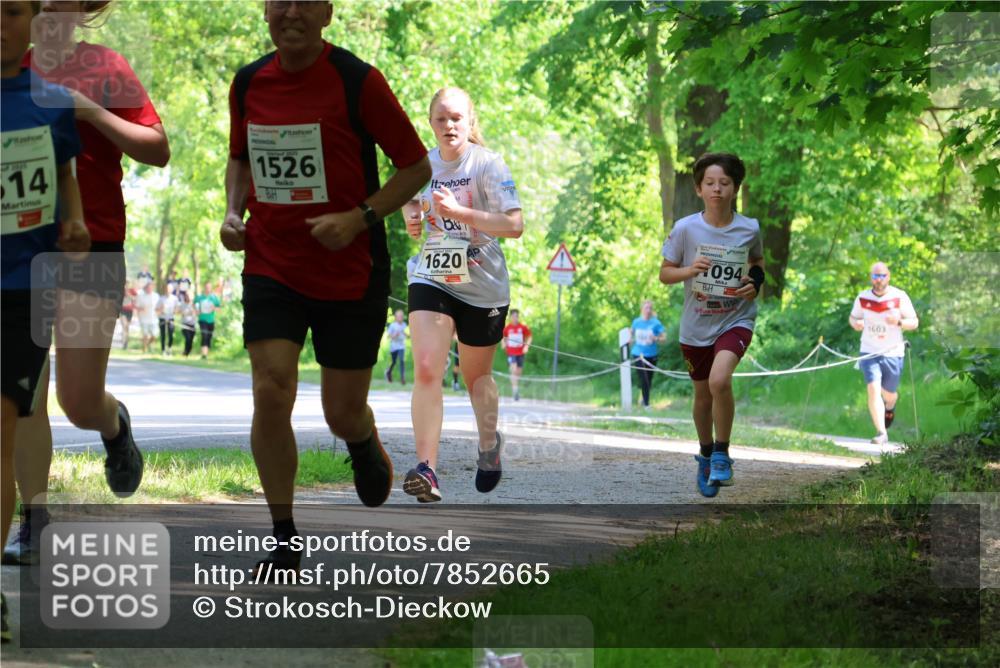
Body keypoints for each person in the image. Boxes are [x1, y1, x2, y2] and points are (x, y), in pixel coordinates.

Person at [220, 0, 430, 572]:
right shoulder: (248, 83)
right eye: (279, 1)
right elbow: (240, 158)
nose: (290, 12)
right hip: (272, 262)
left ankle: (361, 440)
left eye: (304, 1)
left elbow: (416, 167)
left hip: (349, 267)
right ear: (265, 9)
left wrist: (358, 217)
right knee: (271, 386)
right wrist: (232, 213)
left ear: (327, 13)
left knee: (341, 411)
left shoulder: (358, 80)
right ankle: (284, 536)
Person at [4, 0, 167, 566]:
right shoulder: (7, 67)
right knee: (23, 398)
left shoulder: (104, 67)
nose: (49, 9)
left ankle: (113, 422)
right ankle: (34, 518)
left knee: (76, 399)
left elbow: (157, 148)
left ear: (81, 10)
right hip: (18, 251)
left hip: (91, 246)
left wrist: (92, 113)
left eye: (60, 2)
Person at [1, 0, 90, 635]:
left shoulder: (53, 100)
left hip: (21, 289)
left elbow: (63, 169)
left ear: (32, 21)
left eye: (10, 11)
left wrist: (77, 220)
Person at [402, 86, 524, 503]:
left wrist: (460, 214)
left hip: (483, 285)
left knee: (477, 379)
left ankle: (489, 444)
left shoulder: (489, 165)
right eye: (441, 118)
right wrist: (413, 217)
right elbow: (409, 199)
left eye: (457, 118)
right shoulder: (421, 165)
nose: (449, 125)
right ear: (431, 123)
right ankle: (426, 469)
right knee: (426, 367)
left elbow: (514, 225)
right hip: (433, 274)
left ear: (470, 121)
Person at [659, 152, 765, 498]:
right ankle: (705, 454)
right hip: (696, 325)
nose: (717, 189)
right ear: (699, 188)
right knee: (703, 396)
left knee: (721, 380)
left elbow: (758, 262)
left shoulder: (749, 228)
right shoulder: (686, 228)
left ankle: (722, 452)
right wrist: (691, 270)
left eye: (724, 183)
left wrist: (755, 282)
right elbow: (665, 273)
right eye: (710, 183)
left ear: (735, 188)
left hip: (736, 318)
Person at [848, 262, 918, 445]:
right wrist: (856, 323)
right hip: (869, 350)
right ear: (871, 277)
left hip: (893, 352)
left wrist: (899, 321)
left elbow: (914, 322)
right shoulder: (862, 297)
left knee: (888, 394)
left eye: (882, 276)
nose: (878, 280)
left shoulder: (899, 296)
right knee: (873, 389)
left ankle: (891, 405)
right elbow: (853, 317)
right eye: (875, 276)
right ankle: (881, 432)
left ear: (889, 276)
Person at [629, 300, 666, 409]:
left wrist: (656, 338)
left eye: (650, 308)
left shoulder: (656, 323)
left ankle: (643, 398)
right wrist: (630, 339)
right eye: (646, 308)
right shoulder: (636, 322)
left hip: (652, 354)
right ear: (642, 309)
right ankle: (646, 404)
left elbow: (664, 338)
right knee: (644, 378)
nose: (648, 310)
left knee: (648, 380)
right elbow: (630, 334)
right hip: (638, 354)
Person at [502, 309, 532, 401]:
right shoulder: (507, 328)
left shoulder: (523, 327)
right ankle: (515, 391)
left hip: (520, 352)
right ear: (510, 317)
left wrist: (526, 346)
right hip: (511, 352)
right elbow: (503, 338)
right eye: (514, 316)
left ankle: (516, 387)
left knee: (518, 372)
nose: (515, 318)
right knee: (513, 370)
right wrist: (503, 343)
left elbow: (529, 336)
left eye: (517, 316)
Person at [193, 281, 220, 360]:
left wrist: (214, 308)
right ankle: (204, 354)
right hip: (202, 319)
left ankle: (206, 353)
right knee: (204, 335)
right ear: (204, 288)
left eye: (209, 287)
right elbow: (194, 305)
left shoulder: (214, 298)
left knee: (209, 336)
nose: (208, 289)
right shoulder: (199, 297)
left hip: (211, 320)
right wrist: (196, 311)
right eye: (206, 287)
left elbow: (219, 308)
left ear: (211, 288)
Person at [384, 309, 408, 384]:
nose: (401, 318)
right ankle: (388, 372)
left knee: (402, 361)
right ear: (396, 317)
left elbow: (404, 332)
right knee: (393, 362)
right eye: (399, 316)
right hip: (394, 347)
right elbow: (388, 336)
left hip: (401, 346)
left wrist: (406, 335)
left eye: (402, 316)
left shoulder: (404, 324)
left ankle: (402, 378)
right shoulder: (393, 325)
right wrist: (394, 335)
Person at [135, 280, 159, 354]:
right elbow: (136, 306)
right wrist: (142, 309)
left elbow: (159, 307)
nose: (149, 289)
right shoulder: (141, 296)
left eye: (151, 287)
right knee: (145, 335)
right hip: (144, 319)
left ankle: (148, 344)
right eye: (148, 287)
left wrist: (159, 312)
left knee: (154, 335)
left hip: (154, 319)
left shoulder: (156, 296)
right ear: (146, 288)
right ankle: (144, 350)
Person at [157, 282, 178, 355]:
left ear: (172, 290)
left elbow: (177, 309)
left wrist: (175, 311)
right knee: (163, 335)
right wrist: (161, 310)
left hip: (170, 318)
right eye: (167, 289)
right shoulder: (161, 298)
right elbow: (156, 309)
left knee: (171, 334)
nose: (168, 290)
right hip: (162, 318)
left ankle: (169, 348)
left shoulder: (175, 299)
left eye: (169, 289)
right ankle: (163, 350)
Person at [178, 291, 197, 357]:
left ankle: (187, 352)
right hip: (184, 324)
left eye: (190, 296)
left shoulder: (194, 304)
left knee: (191, 339)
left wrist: (193, 311)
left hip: (192, 324)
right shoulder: (182, 304)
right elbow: (179, 312)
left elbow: (196, 313)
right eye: (187, 295)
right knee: (187, 338)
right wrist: (184, 312)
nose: (188, 297)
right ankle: (185, 352)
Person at [118, 279, 136, 349]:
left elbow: (136, 299)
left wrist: (129, 295)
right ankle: (123, 342)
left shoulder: (132, 291)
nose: (126, 286)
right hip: (123, 310)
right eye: (125, 284)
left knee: (127, 328)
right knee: (124, 326)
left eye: (127, 284)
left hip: (130, 311)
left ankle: (126, 342)